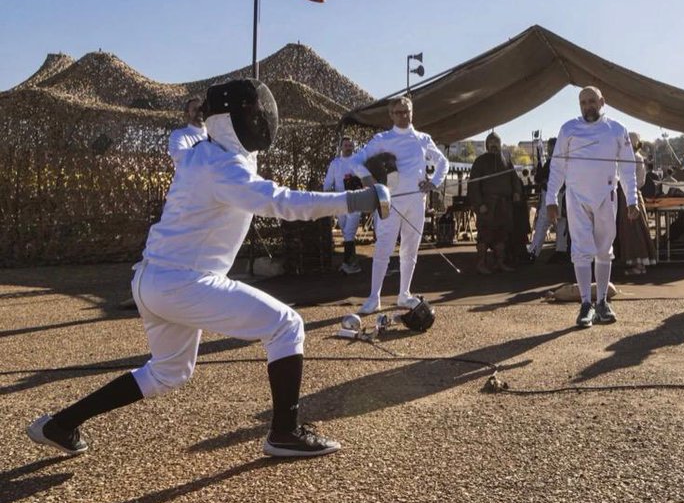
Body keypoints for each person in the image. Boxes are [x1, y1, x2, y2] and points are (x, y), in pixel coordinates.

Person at [27, 79, 390, 459]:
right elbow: (281, 202)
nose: (261, 118)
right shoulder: (223, 167)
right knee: (286, 325)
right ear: (230, 120)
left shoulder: (206, 153)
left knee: (169, 372)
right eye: (252, 112)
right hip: (184, 282)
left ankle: (61, 424)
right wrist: (355, 199)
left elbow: (254, 178)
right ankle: (285, 432)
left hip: (153, 279)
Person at [546, 86, 640, 328]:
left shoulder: (617, 130)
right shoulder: (568, 129)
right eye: (583, 103)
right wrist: (551, 199)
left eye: (591, 101)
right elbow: (557, 166)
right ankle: (585, 304)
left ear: (602, 102)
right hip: (577, 197)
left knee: (604, 249)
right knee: (580, 249)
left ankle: (602, 303)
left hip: (606, 196)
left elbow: (628, 167)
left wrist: (632, 199)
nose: (588, 106)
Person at [348, 96, 449, 315]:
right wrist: (368, 179)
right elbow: (355, 161)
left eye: (407, 111)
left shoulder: (423, 139)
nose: (404, 116)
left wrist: (434, 182)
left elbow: (443, 162)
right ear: (391, 115)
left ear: (412, 112)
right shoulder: (382, 139)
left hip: (416, 202)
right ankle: (374, 297)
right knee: (383, 248)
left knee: (410, 249)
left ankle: (404, 293)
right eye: (399, 112)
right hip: (389, 203)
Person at [467, 132, 524, 274]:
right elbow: (473, 185)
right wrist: (479, 204)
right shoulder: (480, 161)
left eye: (496, 142)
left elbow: (514, 179)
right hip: (488, 205)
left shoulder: (506, 160)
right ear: (487, 145)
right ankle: (481, 263)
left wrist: (516, 192)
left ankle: (500, 263)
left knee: (502, 235)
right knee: (485, 234)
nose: (493, 144)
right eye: (491, 142)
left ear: (500, 144)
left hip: (504, 205)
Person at [323, 136, 365, 274]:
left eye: (350, 145)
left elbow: (365, 179)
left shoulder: (358, 161)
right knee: (345, 231)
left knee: (349, 232)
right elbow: (328, 183)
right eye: (346, 145)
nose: (348, 147)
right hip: (340, 201)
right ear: (341, 147)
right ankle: (352, 263)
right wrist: (327, 197)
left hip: (355, 201)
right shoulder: (335, 164)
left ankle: (348, 264)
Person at [616, 132, 655, 275]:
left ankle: (640, 265)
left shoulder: (637, 159)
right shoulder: (626, 158)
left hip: (632, 197)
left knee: (635, 230)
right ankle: (634, 262)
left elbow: (640, 181)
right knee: (628, 231)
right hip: (624, 197)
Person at [167, 95, 207, 166]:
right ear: (187, 114)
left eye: (201, 109)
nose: (199, 112)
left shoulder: (213, 135)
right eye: (195, 109)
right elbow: (177, 155)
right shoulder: (179, 135)